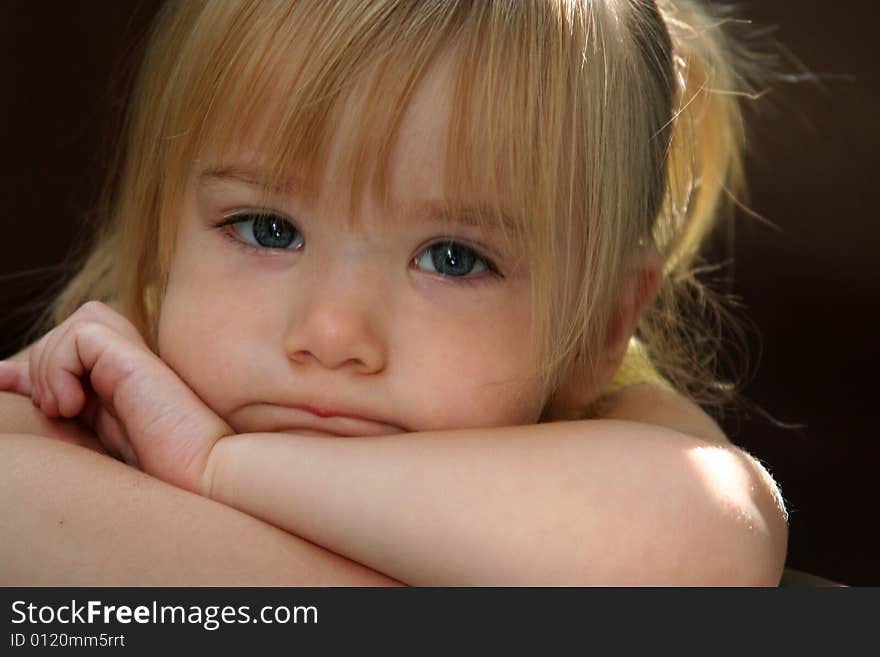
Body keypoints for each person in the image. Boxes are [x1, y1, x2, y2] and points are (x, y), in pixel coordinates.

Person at [0, 0, 788, 585]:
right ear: (165, 245)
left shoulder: (612, 413)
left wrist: (216, 467)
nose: (334, 331)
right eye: (267, 229)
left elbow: (714, 550)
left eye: (452, 257)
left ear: (604, 327)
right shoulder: (118, 362)